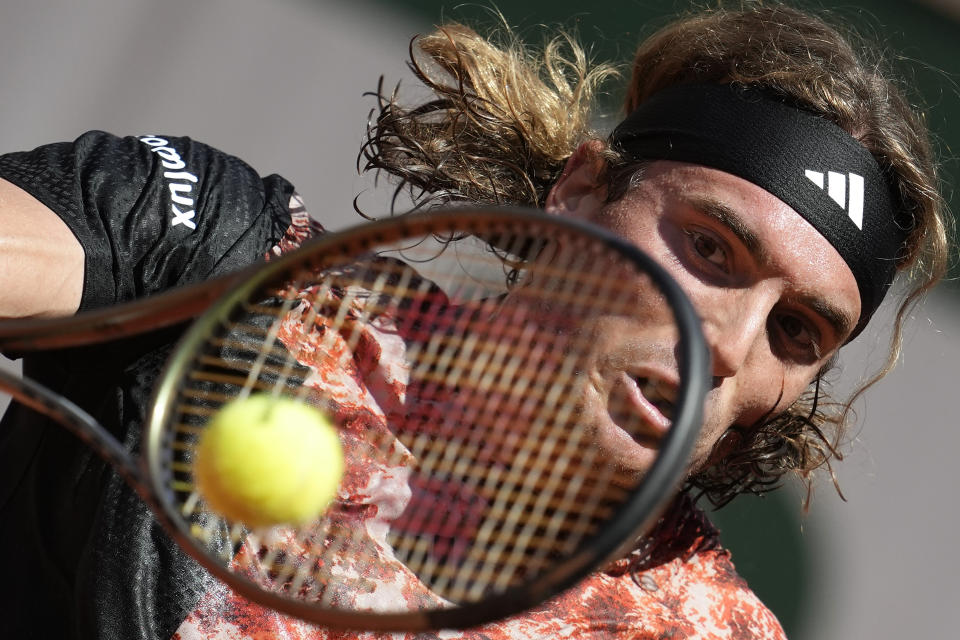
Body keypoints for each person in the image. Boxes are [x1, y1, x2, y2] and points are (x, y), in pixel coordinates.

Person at [0, 2, 949, 639]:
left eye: (797, 335)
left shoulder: (698, 629)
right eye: (710, 249)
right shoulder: (232, 259)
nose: (732, 348)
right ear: (578, 195)